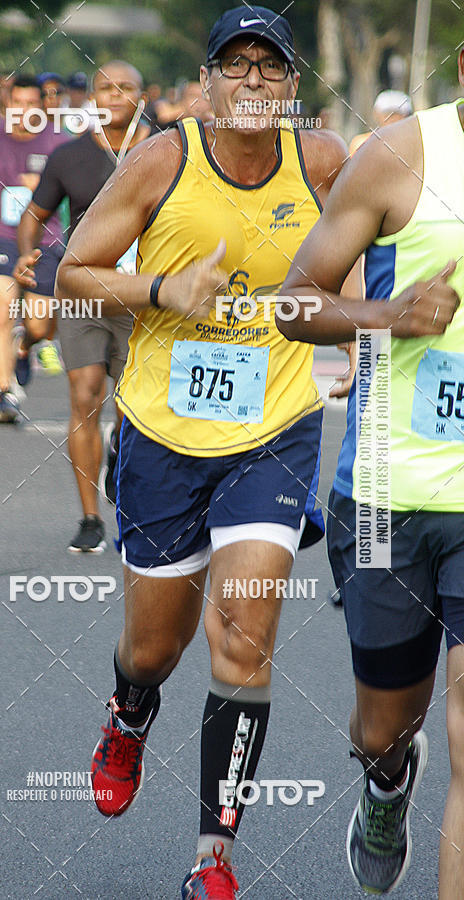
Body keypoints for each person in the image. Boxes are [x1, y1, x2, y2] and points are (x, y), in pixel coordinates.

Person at [54, 7, 351, 896]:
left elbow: (384, 251)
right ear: (207, 80)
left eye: (270, 69)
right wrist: (160, 287)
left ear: (292, 86)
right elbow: (73, 270)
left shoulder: (327, 162)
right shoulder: (162, 161)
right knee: (155, 648)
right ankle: (128, 711)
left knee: (245, 639)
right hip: (163, 436)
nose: (253, 84)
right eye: (236, 66)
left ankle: (211, 858)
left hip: (276, 429)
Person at [280, 49, 464, 899]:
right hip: (387, 497)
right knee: (386, 724)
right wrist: (390, 315)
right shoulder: (396, 157)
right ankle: (386, 782)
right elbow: (293, 302)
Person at [14, 60, 150, 552]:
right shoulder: (69, 156)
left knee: (136, 407)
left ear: (144, 97)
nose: (115, 96)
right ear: (92, 97)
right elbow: (35, 215)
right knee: (85, 394)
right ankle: (91, 516)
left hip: (145, 300)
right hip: (82, 296)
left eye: (126, 89)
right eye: (104, 89)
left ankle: (121, 456)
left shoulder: (165, 152)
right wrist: (28, 252)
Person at [0, 75, 67, 423]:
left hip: (45, 241)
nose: (22, 111)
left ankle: (25, 349)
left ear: (42, 107)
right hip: (3, 236)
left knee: (39, 326)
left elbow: (77, 187)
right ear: (6, 104)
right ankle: (6, 393)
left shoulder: (57, 141)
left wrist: (49, 186)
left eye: (30, 104)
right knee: (1, 307)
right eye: (16, 103)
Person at [349, 89, 413, 156]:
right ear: (376, 114)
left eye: (396, 114)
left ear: (406, 117)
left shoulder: (414, 145)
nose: (392, 119)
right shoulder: (361, 143)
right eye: (387, 114)